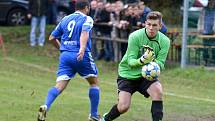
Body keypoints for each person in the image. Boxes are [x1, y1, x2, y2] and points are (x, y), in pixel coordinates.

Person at [37, 0, 101, 121]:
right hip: (81, 55)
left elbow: (51, 37)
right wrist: (82, 49)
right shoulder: (87, 19)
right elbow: (84, 33)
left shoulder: (65, 19)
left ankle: (45, 105)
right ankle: (93, 115)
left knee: (59, 86)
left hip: (65, 56)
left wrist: (62, 49)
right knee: (94, 83)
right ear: (87, 8)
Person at [101, 11, 170, 121]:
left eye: (154, 25)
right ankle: (106, 119)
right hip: (127, 74)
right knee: (123, 107)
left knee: (157, 91)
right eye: (149, 24)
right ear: (145, 24)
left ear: (160, 26)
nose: (151, 28)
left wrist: (154, 64)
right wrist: (143, 60)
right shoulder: (135, 36)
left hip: (146, 75)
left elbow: (161, 62)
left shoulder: (165, 41)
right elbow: (130, 61)